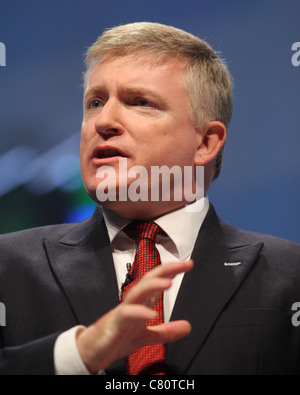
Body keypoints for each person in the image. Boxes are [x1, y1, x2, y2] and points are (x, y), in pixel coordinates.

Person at [0, 22, 300, 376]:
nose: (104, 121)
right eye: (95, 102)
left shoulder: (290, 274)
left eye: (140, 102)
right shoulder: (8, 266)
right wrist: (77, 354)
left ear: (206, 143)